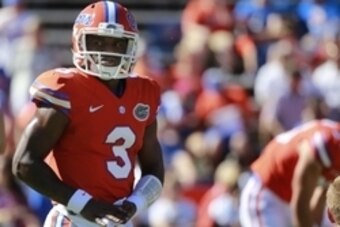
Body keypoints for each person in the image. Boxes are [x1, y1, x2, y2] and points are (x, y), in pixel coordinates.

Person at [11, 1, 164, 227]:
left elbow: (154, 167)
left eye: (117, 44)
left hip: (118, 220)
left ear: (131, 47)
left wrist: (134, 204)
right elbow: (24, 163)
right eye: (98, 41)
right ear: (78, 41)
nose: (107, 51)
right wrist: (85, 204)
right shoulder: (66, 88)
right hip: (73, 218)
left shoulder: (144, 93)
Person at [239, 119, 340, 227]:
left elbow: (319, 201)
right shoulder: (328, 143)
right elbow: (300, 206)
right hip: (268, 192)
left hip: (292, 198)